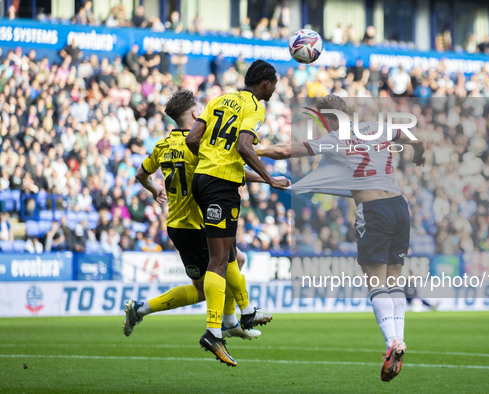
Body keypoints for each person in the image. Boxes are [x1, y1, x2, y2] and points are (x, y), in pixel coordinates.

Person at [257, 94, 425, 382]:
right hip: (400, 206)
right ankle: (399, 339)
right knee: (394, 280)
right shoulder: (378, 127)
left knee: (376, 282)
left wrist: (252, 149)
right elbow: (413, 138)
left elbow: (285, 151)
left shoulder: (333, 140)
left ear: (331, 119)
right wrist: (419, 154)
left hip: (373, 210)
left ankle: (392, 342)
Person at [128, 89, 271, 345]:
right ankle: (227, 321)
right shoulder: (199, 145)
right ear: (196, 114)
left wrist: (154, 190)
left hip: (178, 224)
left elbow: (140, 174)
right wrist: (265, 178)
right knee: (216, 277)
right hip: (197, 226)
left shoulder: (162, 146)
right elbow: (227, 169)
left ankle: (229, 321)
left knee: (235, 260)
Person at [186, 60, 290, 366]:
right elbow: (246, 147)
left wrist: (210, 159)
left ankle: (244, 314)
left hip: (202, 179)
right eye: (274, 85)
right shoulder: (255, 106)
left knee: (230, 253)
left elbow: (193, 140)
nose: (274, 90)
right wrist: (270, 179)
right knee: (218, 261)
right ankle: (213, 331)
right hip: (221, 186)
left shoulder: (218, 100)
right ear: (266, 84)